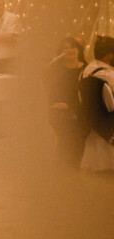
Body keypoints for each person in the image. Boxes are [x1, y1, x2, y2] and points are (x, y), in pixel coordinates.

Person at [45, 36, 88, 165]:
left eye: (73, 47)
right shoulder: (55, 69)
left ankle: (72, 162)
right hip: (59, 109)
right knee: (63, 123)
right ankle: (65, 162)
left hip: (80, 108)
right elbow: (51, 91)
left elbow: (88, 95)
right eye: (66, 48)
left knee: (76, 126)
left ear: (79, 49)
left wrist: (70, 105)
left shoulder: (87, 70)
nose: (70, 51)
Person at [79, 35, 114, 171]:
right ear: (109, 56)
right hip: (108, 130)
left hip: (93, 130)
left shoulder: (86, 71)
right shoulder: (108, 75)